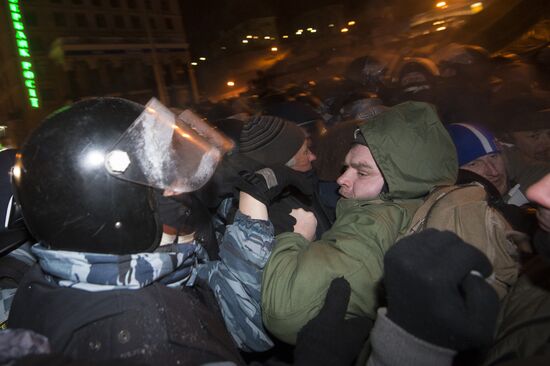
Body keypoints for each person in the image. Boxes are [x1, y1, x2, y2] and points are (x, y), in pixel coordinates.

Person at [6, 97, 245, 365]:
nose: (175, 188)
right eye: (157, 175)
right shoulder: (160, 342)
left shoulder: (39, 281)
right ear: (103, 200)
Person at [259, 101, 458, 344]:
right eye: (346, 168)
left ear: (399, 182)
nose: (341, 179)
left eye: (362, 172)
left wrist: (296, 238)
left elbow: (284, 314)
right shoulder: (422, 205)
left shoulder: (372, 225)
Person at [238, 115, 333, 238]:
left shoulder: (300, 185)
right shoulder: (274, 213)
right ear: (283, 164)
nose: (312, 156)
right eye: (305, 152)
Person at [446, 122, 550, 206]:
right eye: (474, 164)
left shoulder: (536, 179)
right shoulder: (448, 209)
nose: (494, 172)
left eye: (493, 156)